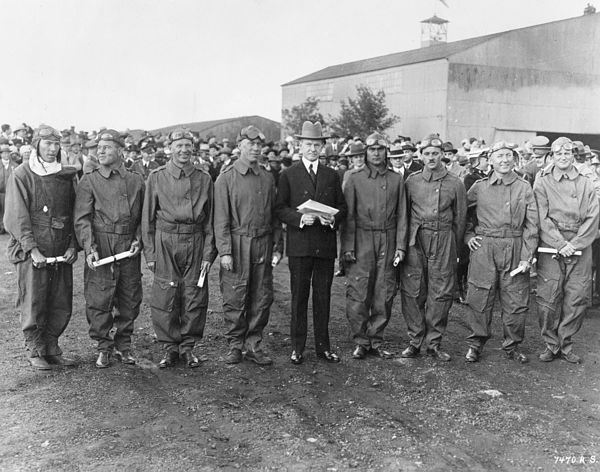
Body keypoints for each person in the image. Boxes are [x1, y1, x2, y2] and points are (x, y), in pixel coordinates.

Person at [4, 124, 78, 370]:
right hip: (34, 249)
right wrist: (31, 248)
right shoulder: (23, 174)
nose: (52, 149)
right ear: (36, 145)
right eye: (47, 143)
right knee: (34, 299)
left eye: (56, 144)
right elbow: (16, 216)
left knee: (59, 298)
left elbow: (73, 212)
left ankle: (52, 347)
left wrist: (72, 245)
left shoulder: (65, 175)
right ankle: (35, 349)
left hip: (59, 246)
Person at [142, 128, 217, 368]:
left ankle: (187, 347)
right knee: (166, 294)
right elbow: (147, 220)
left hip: (195, 241)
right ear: (170, 149)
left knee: (194, 294)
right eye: (178, 146)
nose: (183, 150)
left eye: (187, 145)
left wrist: (208, 254)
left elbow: (210, 220)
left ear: (193, 148)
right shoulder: (156, 177)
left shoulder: (204, 178)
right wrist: (151, 254)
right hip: (165, 241)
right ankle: (169, 347)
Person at [275, 121, 347, 365]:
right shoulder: (288, 175)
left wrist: (332, 219)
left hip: (325, 245)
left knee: (323, 297)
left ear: (323, 147)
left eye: (317, 145)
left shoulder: (332, 175)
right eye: (308, 145)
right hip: (300, 244)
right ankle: (297, 347)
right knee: (299, 297)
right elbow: (280, 209)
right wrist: (299, 218)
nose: (312, 149)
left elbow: (343, 208)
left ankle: (323, 347)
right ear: (299, 146)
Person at [74, 129, 145, 368]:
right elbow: (82, 218)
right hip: (102, 244)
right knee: (99, 296)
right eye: (98, 148)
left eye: (106, 147)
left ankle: (123, 345)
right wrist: (89, 246)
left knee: (129, 296)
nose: (100, 151)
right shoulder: (90, 179)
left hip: (127, 245)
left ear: (120, 150)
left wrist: (138, 238)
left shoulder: (135, 179)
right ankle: (103, 346)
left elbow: (142, 216)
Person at [463, 141, 538, 363]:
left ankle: (512, 346)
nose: (504, 160)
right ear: (491, 160)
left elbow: (532, 225)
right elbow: (463, 215)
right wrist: (468, 237)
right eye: (499, 156)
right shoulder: (479, 187)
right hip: (484, 247)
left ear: (514, 159)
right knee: (479, 296)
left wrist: (527, 256)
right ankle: (476, 344)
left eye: (508, 155)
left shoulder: (524, 188)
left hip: (514, 247)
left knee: (515, 300)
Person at [214, 125, 281, 365]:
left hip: (262, 242)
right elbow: (220, 218)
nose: (255, 148)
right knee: (235, 295)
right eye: (250, 144)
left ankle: (254, 344)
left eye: (258, 145)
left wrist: (277, 245)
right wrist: (225, 251)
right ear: (239, 145)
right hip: (237, 242)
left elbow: (274, 216)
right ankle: (235, 345)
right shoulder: (226, 178)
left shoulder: (267, 176)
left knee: (261, 295)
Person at [400, 134, 467, 361]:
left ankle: (434, 343)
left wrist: (454, 248)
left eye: (435, 154)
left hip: (444, 240)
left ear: (442, 156)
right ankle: (415, 341)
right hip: (417, 239)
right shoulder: (412, 181)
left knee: (440, 292)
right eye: (427, 154)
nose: (431, 158)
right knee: (413, 290)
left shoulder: (455, 182)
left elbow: (460, 219)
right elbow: (404, 216)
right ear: (421, 155)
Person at [341, 132, 407, 359]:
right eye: (372, 149)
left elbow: (402, 215)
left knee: (384, 292)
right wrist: (348, 247)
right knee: (359, 292)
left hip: (387, 239)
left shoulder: (396, 179)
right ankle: (360, 340)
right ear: (365, 152)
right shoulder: (354, 178)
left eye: (380, 149)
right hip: (361, 239)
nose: (376, 153)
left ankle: (376, 340)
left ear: (386, 151)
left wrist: (400, 246)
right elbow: (348, 216)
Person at [534, 137, 599, 363]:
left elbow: (593, 216)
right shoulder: (542, 181)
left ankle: (566, 343)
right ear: (552, 156)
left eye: (568, 153)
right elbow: (540, 215)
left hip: (580, 242)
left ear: (573, 155)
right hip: (551, 243)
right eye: (558, 154)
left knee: (578, 295)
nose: (563, 157)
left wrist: (576, 243)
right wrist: (560, 243)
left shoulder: (586, 182)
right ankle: (551, 344)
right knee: (548, 295)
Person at [0, 143, 17, 234]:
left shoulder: (15, 165)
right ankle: (1, 227)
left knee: (9, 210)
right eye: (4, 153)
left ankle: (8, 228)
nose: (6, 155)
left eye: (8, 153)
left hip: (10, 192)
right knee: (0, 210)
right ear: (1, 154)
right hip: (0, 192)